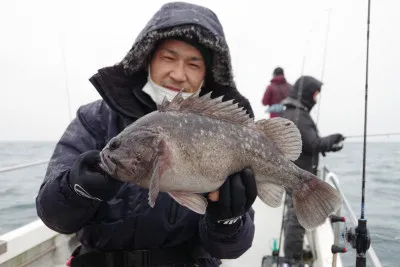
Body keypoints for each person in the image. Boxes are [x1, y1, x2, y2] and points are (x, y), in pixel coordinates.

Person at [35, 2, 257, 267]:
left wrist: (227, 221)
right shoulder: (95, 119)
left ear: (207, 76)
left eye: (193, 64)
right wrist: (77, 188)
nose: (178, 74)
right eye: (168, 58)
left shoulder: (228, 135)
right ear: (146, 59)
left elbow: (233, 247)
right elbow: (53, 216)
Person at [280, 76, 345, 266]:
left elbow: (308, 144)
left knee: (293, 214)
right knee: (297, 218)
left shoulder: (293, 112)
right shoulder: (298, 115)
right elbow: (313, 143)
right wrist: (332, 139)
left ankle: (290, 257)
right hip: (299, 175)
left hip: (294, 172)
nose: (316, 99)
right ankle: (291, 260)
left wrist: (329, 145)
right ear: (308, 93)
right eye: (315, 94)